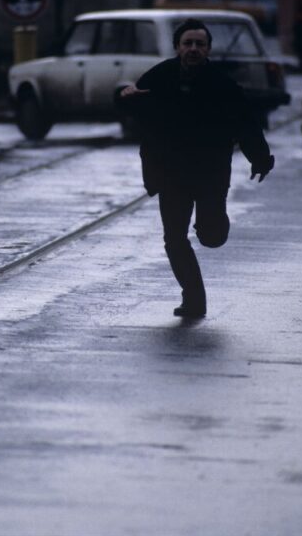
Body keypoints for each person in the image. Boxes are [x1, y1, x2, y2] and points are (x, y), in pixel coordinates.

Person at [116, 18, 274, 319]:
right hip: (170, 173)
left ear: (208, 49)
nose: (193, 49)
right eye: (187, 43)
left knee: (211, 237)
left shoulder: (222, 84)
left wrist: (260, 158)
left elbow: (246, 123)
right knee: (174, 238)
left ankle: (215, 225)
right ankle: (193, 299)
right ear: (178, 46)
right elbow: (133, 103)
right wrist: (124, 97)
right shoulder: (161, 75)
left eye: (199, 44)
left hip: (210, 174)